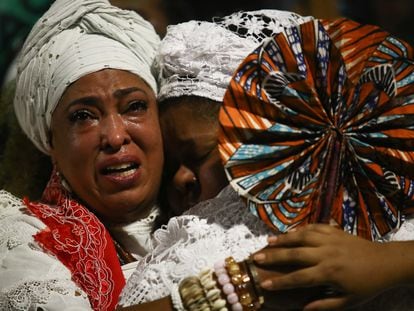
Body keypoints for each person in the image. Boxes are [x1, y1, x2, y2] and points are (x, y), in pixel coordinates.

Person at [120, 12, 414, 311]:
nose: (180, 179)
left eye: (195, 156)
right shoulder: (189, 244)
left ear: (272, 141)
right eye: (170, 167)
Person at [0, 0, 163, 310]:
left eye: (135, 107)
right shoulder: (22, 241)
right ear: (50, 142)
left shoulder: (215, 213)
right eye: (83, 116)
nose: (115, 137)